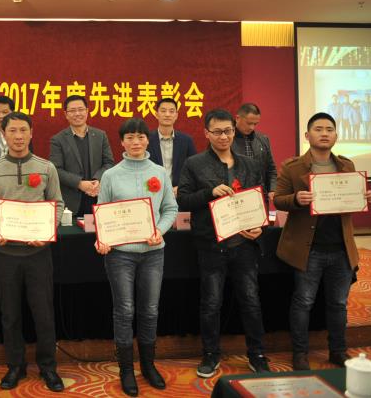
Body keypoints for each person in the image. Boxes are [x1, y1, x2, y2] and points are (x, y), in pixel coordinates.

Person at [274, 112, 371, 371]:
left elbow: (351, 202)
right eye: (318, 129)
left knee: (338, 304)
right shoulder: (293, 167)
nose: (324, 133)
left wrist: (364, 197)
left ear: (336, 135)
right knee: (303, 302)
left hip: (341, 248)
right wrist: (296, 199)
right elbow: (277, 200)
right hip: (309, 249)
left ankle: (337, 351)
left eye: (329, 129)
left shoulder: (346, 166)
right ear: (307, 135)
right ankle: (300, 353)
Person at [0, 112, 65, 392]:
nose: (18, 136)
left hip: (38, 253)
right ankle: (15, 366)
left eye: (23, 130)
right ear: (3, 134)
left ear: (31, 133)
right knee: (10, 314)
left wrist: (47, 232)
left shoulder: (46, 167)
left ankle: (48, 367)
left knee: (43, 314)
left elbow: (57, 204)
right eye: (12, 131)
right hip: (5, 253)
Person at [177, 108, 269, 378]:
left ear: (234, 130)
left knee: (251, 301)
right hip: (211, 246)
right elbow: (183, 200)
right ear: (206, 133)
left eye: (228, 131)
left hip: (244, 245)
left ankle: (257, 354)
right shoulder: (194, 164)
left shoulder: (250, 164)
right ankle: (210, 354)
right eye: (217, 132)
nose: (223, 136)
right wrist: (209, 192)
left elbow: (259, 200)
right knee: (211, 303)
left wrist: (259, 226)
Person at [96, 118, 178, 396]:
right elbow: (103, 214)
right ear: (121, 142)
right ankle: (126, 370)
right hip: (120, 255)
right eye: (129, 137)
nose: (135, 142)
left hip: (153, 253)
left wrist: (159, 230)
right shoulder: (111, 175)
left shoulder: (159, 172)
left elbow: (170, 208)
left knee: (150, 310)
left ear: (147, 140)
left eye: (140, 137)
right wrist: (103, 239)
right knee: (125, 311)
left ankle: (148, 365)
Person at [49, 95, 114, 217]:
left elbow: (109, 163)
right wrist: (79, 183)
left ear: (87, 111)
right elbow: (55, 169)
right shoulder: (58, 140)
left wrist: (97, 180)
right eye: (72, 111)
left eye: (81, 109)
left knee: (96, 228)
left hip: (98, 196)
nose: (77, 113)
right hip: (72, 203)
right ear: (66, 114)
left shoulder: (100, 136)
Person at [147, 97, 197, 196]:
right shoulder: (147, 140)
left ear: (176, 115)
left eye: (171, 111)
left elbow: (194, 170)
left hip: (179, 195)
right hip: (152, 193)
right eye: (163, 111)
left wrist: (181, 188)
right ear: (156, 114)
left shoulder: (186, 141)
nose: (167, 114)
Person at [231, 103, 277, 201]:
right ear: (237, 118)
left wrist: (272, 189)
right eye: (249, 123)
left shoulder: (263, 139)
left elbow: (271, 169)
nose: (252, 127)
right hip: (235, 197)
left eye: (255, 124)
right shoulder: (226, 140)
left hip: (260, 196)